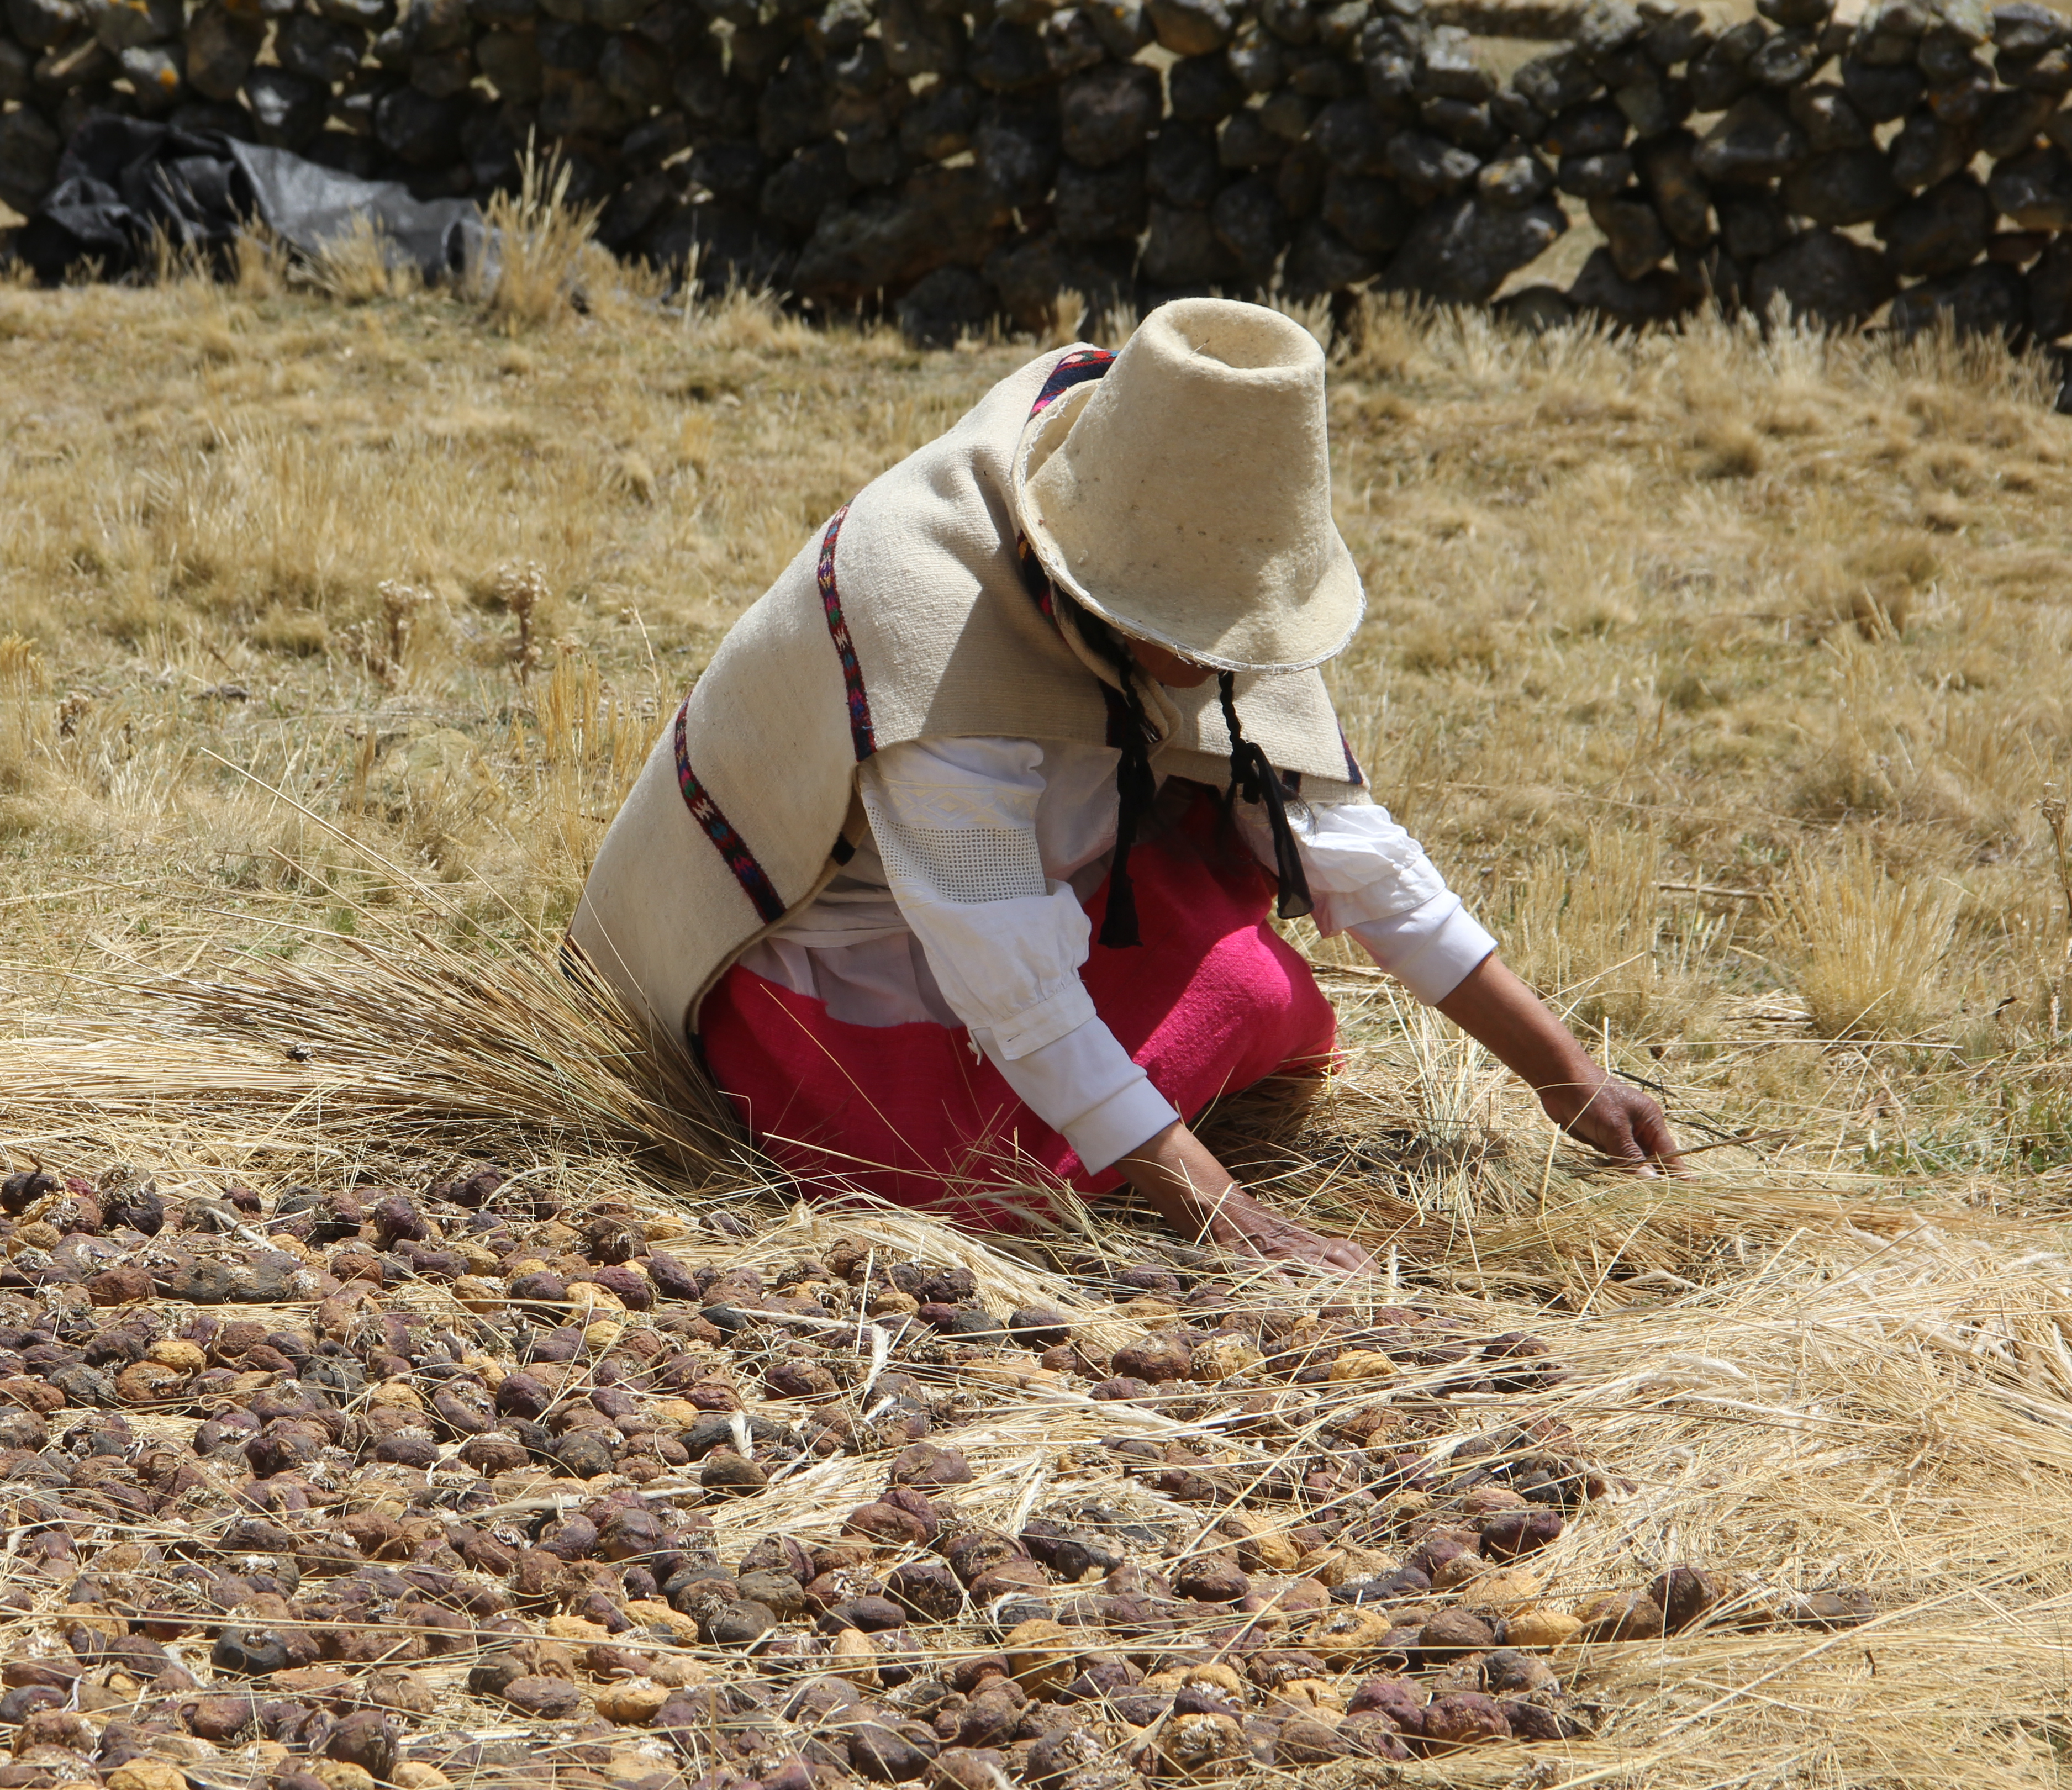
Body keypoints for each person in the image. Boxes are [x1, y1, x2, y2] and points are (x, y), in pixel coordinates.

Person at [568, 299, 1684, 1272]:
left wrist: (1568, 1076)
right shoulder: (931, 622)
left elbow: (1350, 850)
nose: (1206, 666)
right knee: (962, 1188)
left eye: (1229, 638)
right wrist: (1223, 1213)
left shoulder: (1211, 517)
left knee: (1256, 998)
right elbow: (1013, 985)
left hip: (1039, 880)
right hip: (826, 945)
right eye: (1179, 633)